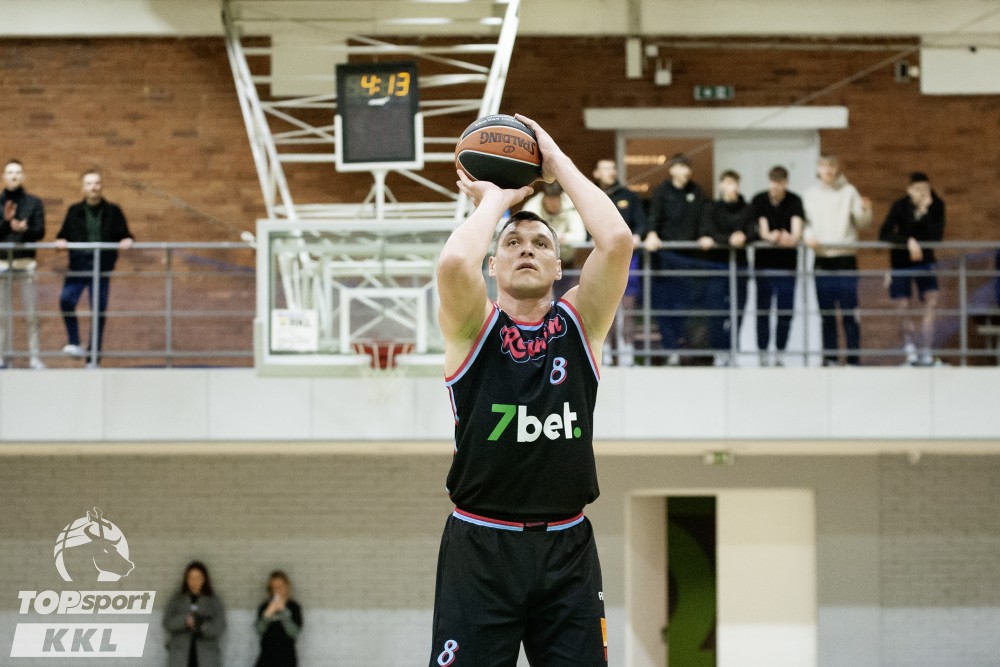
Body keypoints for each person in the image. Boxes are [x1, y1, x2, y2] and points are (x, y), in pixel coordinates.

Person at [431, 113, 632, 666]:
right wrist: (495, 200)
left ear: (559, 265)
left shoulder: (582, 322)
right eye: (512, 243)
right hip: (481, 543)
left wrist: (555, 160)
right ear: (493, 264)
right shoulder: (472, 326)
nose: (526, 248)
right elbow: (454, 261)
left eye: (541, 242)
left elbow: (617, 241)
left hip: (567, 546)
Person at [55, 169, 134, 367]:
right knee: (66, 300)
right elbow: (63, 234)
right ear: (83, 188)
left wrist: (127, 240)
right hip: (78, 266)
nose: (93, 187)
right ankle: (74, 342)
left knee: (98, 310)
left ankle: (93, 358)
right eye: (89, 184)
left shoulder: (113, 211)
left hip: (102, 268)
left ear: (101, 186)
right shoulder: (74, 211)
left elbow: (125, 234)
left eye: (97, 183)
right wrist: (61, 241)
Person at [803, 154, 872, 366]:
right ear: (818, 168)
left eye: (832, 166)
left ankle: (853, 360)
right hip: (822, 259)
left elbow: (863, 223)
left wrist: (866, 210)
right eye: (824, 166)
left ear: (837, 168)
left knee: (849, 312)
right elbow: (805, 224)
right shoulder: (810, 194)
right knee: (827, 314)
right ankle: (831, 358)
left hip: (845, 258)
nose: (828, 170)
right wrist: (808, 236)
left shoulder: (849, 191)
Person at [642, 154, 711, 364]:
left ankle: (683, 348)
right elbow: (653, 217)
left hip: (688, 261)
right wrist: (652, 233)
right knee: (664, 306)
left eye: (688, 167)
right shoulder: (661, 191)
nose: (686, 171)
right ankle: (670, 348)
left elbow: (703, 219)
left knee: (685, 307)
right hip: (664, 260)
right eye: (681, 167)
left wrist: (705, 234)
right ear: (672, 170)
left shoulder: (696, 191)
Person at [879, 172, 945, 366]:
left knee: (932, 299)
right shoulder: (899, 206)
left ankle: (926, 350)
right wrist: (907, 241)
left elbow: (936, 237)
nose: (922, 193)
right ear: (909, 190)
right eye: (918, 189)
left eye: (926, 189)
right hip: (901, 262)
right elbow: (884, 233)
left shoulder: (936, 206)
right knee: (902, 303)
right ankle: (910, 350)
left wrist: (925, 213)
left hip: (925, 261)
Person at [593, 158, 647, 366]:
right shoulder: (592, 195)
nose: (611, 172)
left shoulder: (629, 196)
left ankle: (627, 353)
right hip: (602, 259)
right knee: (605, 310)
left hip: (628, 260)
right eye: (606, 168)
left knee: (628, 308)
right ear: (597, 173)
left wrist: (637, 236)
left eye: (613, 168)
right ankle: (606, 353)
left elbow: (641, 225)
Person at [750, 166, 805, 366]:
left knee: (785, 310)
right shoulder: (759, 200)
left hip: (787, 266)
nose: (776, 187)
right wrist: (772, 236)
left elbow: (796, 231)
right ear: (769, 182)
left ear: (786, 183)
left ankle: (780, 352)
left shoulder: (794, 200)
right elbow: (763, 230)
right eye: (773, 182)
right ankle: (763, 352)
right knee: (763, 310)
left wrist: (790, 237)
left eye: (780, 183)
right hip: (764, 265)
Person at [701, 169, 755, 364]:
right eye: (728, 183)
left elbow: (753, 231)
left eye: (735, 183)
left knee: (738, 310)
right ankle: (720, 351)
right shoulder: (712, 208)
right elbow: (708, 231)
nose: (732, 187)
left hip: (740, 267)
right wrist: (729, 239)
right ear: (721, 185)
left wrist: (744, 237)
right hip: (717, 266)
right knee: (717, 311)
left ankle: (733, 350)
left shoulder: (747, 208)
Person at [0, 159, 46, 370]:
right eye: (10, 172)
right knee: (1, 315)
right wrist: (6, 223)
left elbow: (40, 231)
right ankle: (2, 358)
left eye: (18, 172)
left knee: (31, 314)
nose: (14, 176)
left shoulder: (33, 203)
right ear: (4, 176)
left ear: (23, 176)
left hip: (25, 263)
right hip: (1, 263)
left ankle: (34, 357)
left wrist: (24, 229)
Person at [520, 180, 588, 297]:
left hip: (565, 262)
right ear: (544, 198)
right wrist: (550, 237)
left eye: (556, 200)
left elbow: (580, 236)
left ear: (561, 197)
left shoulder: (570, 205)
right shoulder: (531, 208)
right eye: (550, 200)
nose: (554, 204)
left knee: (563, 296)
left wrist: (562, 237)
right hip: (538, 262)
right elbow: (524, 234)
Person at [163, 561, 226, 667]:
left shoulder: (213, 601)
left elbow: (220, 626)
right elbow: (167, 622)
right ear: (186, 579)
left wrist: (202, 626)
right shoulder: (177, 599)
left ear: (204, 579)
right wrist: (185, 621)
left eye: (198, 578)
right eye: (191, 578)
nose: (194, 581)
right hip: (180, 655)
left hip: (207, 655)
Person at [254, 570, 303, 667]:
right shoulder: (264, 607)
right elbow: (259, 630)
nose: (277, 590)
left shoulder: (294, 607)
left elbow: (294, 632)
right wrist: (267, 615)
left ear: (286, 587)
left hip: (287, 658)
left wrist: (284, 612)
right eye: (274, 587)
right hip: (266, 657)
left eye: (280, 586)